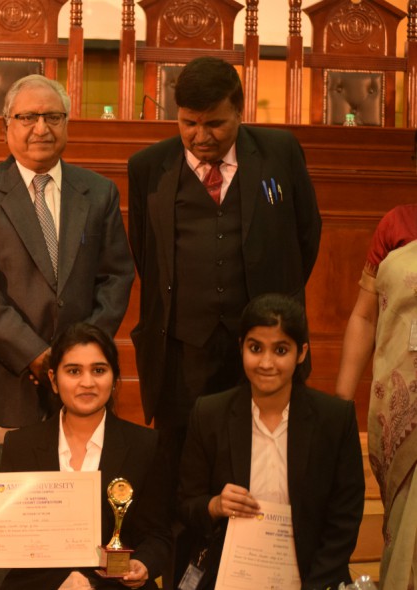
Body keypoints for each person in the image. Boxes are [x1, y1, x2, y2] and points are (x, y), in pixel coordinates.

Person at [0, 70, 134, 541]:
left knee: (82, 520)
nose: (41, 128)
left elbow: (117, 277)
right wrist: (38, 356)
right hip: (7, 379)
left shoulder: (98, 192)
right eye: (27, 117)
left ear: (67, 123)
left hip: (83, 386)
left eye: (53, 117)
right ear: (6, 126)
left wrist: (78, 360)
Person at [126, 57, 322, 455]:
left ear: (239, 111)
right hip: (181, 350)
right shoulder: (147, 166)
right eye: (189, 123)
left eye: (214, 123)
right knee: (182, 459)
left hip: (263, 342)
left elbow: (306, 235)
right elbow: (146, 253)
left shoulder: (280, 152)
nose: (201, 136)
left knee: (265, 454)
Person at [0, 323, 171, 590]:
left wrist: (143, 563)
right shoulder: (20, 445)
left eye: (99, 370)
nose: (87, 382)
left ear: (114, 378)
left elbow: (158, 535)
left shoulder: (144, 445)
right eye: (74, 371)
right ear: (54, 381)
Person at [178, 294, 364, 589]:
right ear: (241, 347)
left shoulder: (334, 419)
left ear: (301, 353)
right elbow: (186, 504)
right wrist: (215, 505)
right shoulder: (209, 414)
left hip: (311, 577)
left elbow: (345, 520)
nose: (266, 363)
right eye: (255, 348)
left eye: (280, 350)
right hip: (231, 575)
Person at [336, 204, 417, 588]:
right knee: (404, 526)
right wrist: (340, 404)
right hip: (400, 406)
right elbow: (365, 317)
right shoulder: (397, 225)